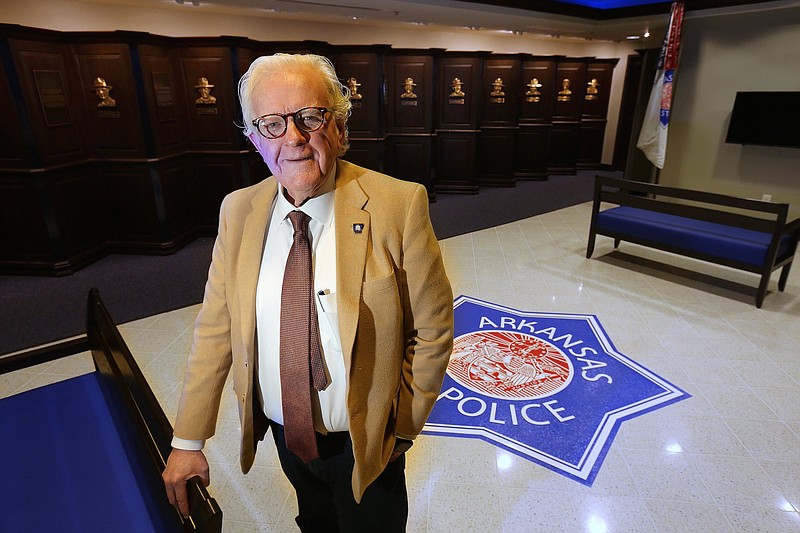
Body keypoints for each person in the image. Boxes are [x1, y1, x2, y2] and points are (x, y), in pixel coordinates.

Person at [162, 53, 454, 532]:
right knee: (315, 521)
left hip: (367, 443)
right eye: (272, 124)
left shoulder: (399, 204)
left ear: (338, 127)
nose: (293, 138)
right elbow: (216, 328)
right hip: (284, 431)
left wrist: (402, 424)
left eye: (310, 117)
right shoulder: (238, 212)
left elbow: (434, 329)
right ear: (255, 140)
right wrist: (187, 441)